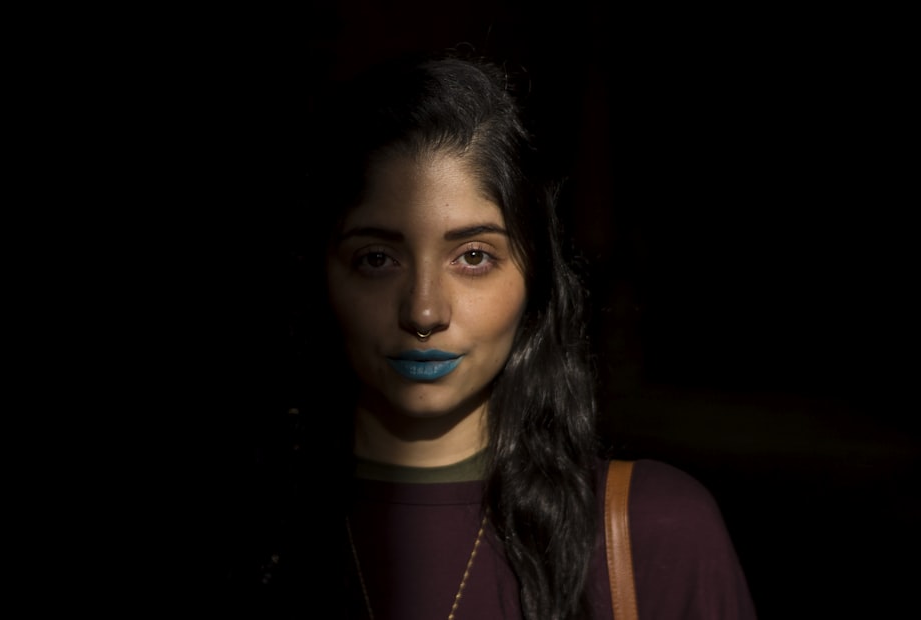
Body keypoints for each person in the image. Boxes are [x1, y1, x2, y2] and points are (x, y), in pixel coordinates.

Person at [229, 48, 757, 620]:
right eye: (378, 258)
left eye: (473, 256)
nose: (425, 311)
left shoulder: (654, 530)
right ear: (321, 275)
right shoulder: (255, 535)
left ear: (535, 276)